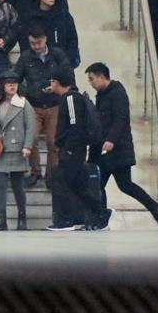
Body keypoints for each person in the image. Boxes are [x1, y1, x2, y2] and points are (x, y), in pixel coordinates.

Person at [85, 63, 158, 228]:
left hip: (117, 149)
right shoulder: (101, 95)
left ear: (101, 76)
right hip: (102, 150)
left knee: (125, 185)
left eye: (92, 79)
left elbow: (121, 119)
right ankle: (101, 218)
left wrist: (111, 140)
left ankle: (154, 207)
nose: (91, 83)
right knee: (98, 184)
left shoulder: (118, 93)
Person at [47, 67, 112, 231]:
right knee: (78, 185)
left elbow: (75, 125)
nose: (50, 85)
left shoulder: (70, 99)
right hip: (75, 149)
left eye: (52, 81)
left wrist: (68, 148)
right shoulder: (71, 98)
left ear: (57, 82)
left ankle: (65, 220)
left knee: (63, 182)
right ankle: (101, 212)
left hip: (72, 150)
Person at [13, 25, 71, 188]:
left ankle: (51, 175)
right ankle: (35, 172)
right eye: (32, 43)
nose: (36, 47)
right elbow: (15, 78)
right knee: (31, 140)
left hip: (54, 104)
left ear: (45, 39)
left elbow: (68, 74)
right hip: (34, 105)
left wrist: (58, 87)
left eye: (38, 43)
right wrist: (28, 91)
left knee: (54, 142)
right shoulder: (25, 57)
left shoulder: (57, 55)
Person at [0, 70, 36, 230]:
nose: (12, 86)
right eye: (8, 83)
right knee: (0, 186)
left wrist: (27, 146)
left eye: (15, 83)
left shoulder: (24, 103)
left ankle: (22, 217)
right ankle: (1, 219)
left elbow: (31, 126)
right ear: (2, 85)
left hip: (17, 149)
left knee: (18, 186)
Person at [26, 0, 80, 65]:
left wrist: (68, 60)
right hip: (40, 63)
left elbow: (72, 38)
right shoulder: (32, 17)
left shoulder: (63, 15)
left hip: (63, 62)